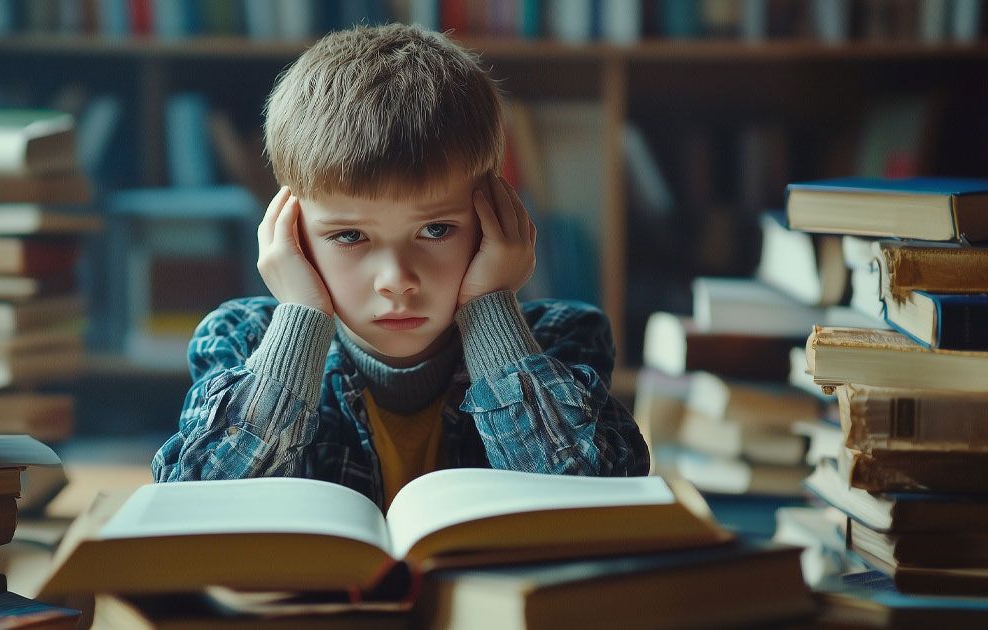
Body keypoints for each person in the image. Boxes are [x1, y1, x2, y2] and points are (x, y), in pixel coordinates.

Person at [152, 23, 649, 509]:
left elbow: (598, 496)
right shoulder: (241, 340)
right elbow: (193, 501)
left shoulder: (561, 340)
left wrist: (488, 310)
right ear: (293, 234)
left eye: (435, 230)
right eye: (349, 235)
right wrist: (301, 319)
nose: (396, 281)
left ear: (495, 219)